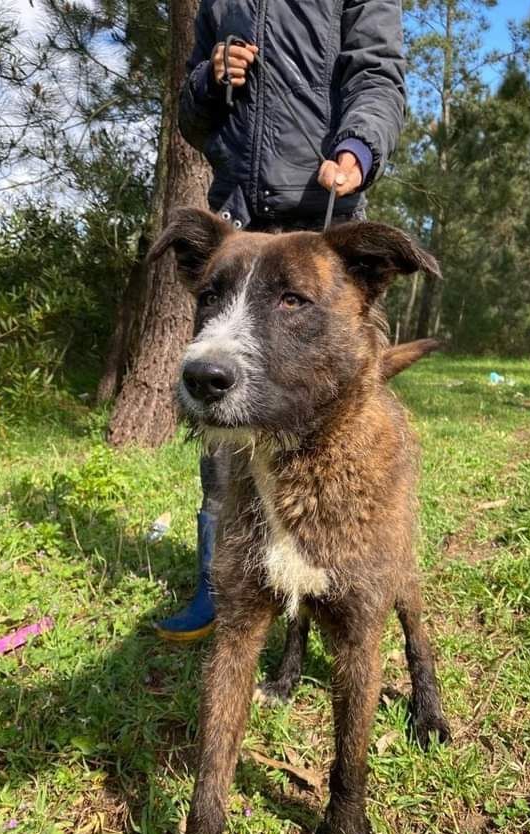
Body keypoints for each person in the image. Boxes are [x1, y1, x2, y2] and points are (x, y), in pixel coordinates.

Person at [155, 0, 406, 641]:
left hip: (321, 224)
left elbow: (376, 74)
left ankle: (337, 573)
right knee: (223, 415)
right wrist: (209, 80)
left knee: (335, 428)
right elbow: (192, 117)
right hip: (240, 224)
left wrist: (358, 149)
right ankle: (224, 581)